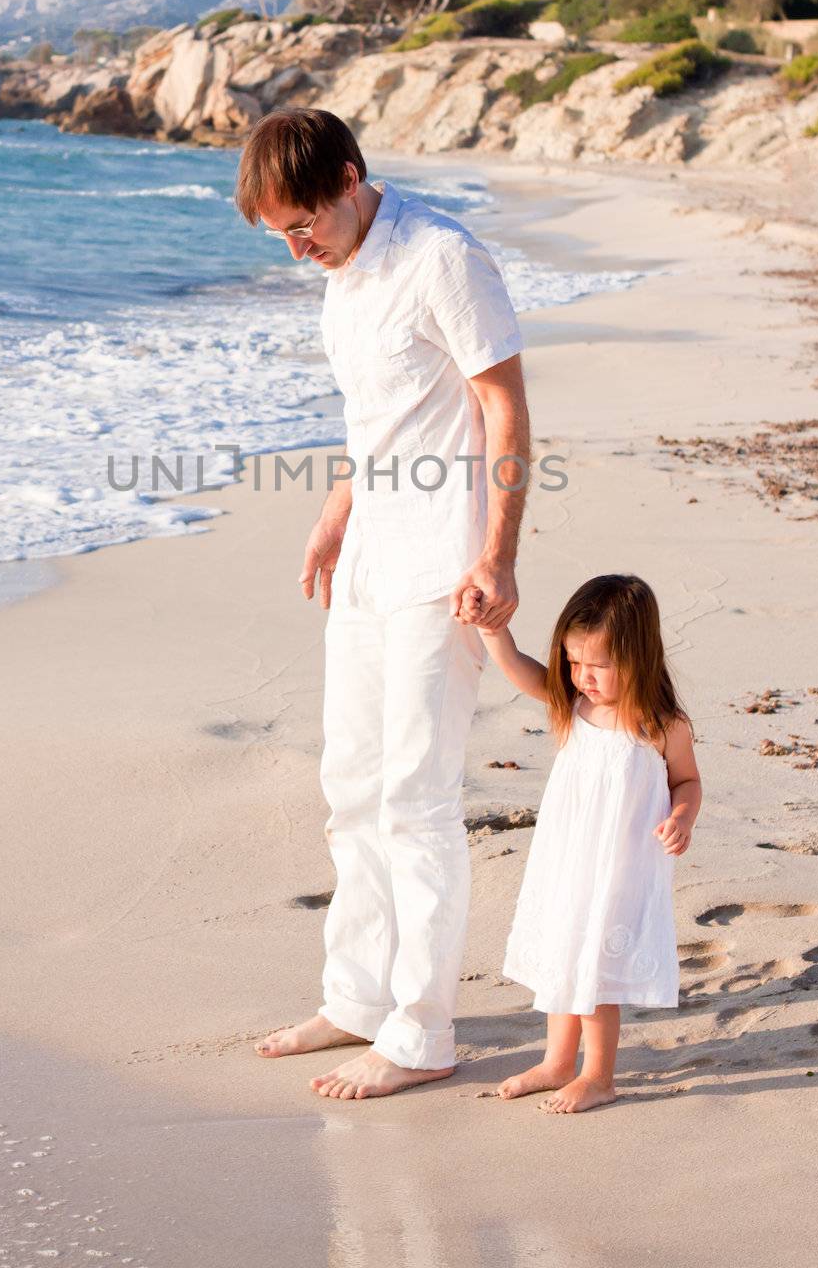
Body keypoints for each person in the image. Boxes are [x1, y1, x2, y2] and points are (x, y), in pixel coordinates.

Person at [234, 107, 530, 1098]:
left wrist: (497, 555)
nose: (295, 244)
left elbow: (503, 408)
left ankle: (421, 1029)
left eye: (302, 221)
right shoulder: (338, 280)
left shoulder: (445, 258)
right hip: (366, 555)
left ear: (350, 178)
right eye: (279, 232)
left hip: (440, 562)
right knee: (350, 787)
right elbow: (378, 420)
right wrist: (332, 513)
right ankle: (356, 997)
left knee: (415, 794)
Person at [461, 571, 702, 1113]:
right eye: (574, 662)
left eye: (598, 666)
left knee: (593, 965)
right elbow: (522, 669)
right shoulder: (574, 703)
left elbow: (687, 780)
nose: (583, 676)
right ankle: (556, 1062)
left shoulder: (660, 724)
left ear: (638, 657)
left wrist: (682, 818)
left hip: (620, 865)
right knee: (561, 953)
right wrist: (493, 631)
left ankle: (598, 1075)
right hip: (567, 856)